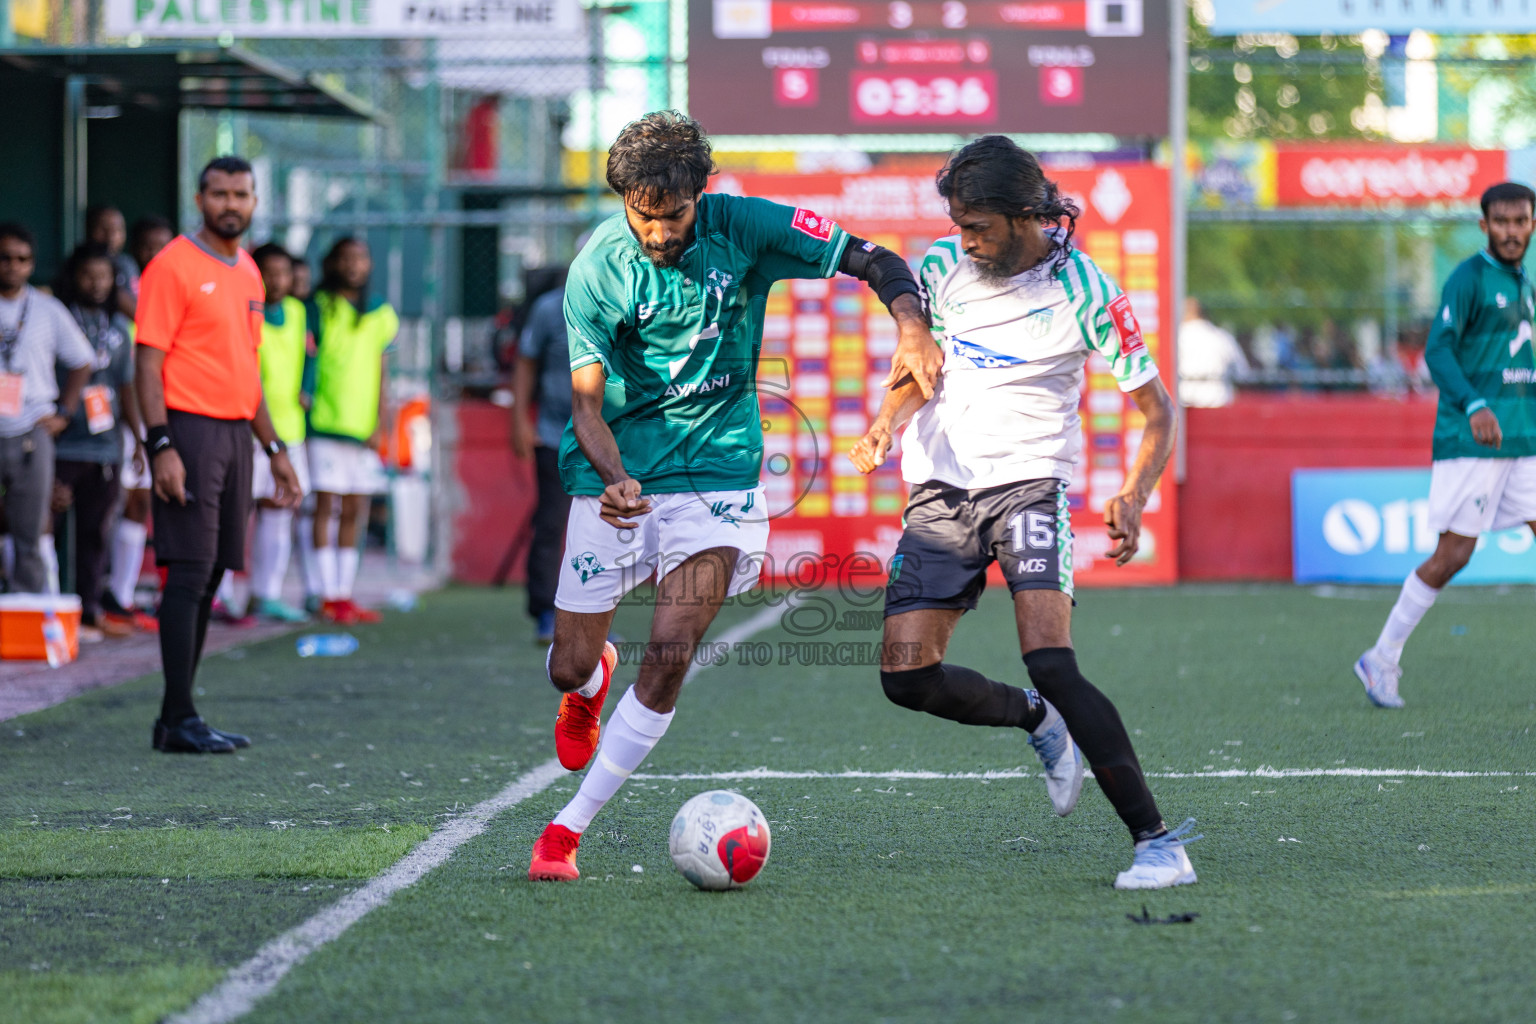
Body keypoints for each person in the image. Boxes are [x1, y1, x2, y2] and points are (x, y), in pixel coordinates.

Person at [527, 111, 939, 881]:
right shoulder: (596, 269)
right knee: (565, 665)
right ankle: (589, 678)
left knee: (672, 654)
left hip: (720, 474)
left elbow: (875, 259)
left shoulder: (745, 226)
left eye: (672, 216)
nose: (656, 234)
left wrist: (911, 324)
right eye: (640, 217)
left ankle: (565, 829)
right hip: (616, 475)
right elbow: (585, 407)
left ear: (701, 194)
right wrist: (616, 477)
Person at [848, 136, 1199, 890]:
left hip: (1029, 486)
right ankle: (1036, 721)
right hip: (941, 491)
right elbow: (922, 369)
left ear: (1024, 214)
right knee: (906, 678)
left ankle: (1158, 843)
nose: (964, 239)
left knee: (1051, 656)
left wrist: (1134, 495)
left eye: (977, 226)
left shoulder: (1088, 290)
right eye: (958, 223)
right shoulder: (942, 269)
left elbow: (1158, 411)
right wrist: (887, 418)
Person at [134, 156, 302, 754]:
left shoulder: (251, 273)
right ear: (199, 197)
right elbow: (147, 364)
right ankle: (177, 717)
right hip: (188, 429)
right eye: (220, 193)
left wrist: (274, 448)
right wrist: (161, 445)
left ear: (255, 201)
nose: (231, 204)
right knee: (186, 570)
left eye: (242, 194)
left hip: (237, 435)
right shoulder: (172, 266)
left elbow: (246, 367)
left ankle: (176, 717)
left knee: (209, 574)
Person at [1354, 182, 1536, 709]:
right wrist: (1475, 405)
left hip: (1521, 440)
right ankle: (1381, 657)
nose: (1510, 230)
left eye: (1520, 220)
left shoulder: (1523, 284)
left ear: (1531, 225)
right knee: (1454, 554)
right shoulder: (1469, 278)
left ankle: (1382, 658)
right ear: (1484, 226)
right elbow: (1438, 350)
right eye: (1500, 221)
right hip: (1472, 443)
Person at [0, 223, 95, 596]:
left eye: (21, 259)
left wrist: (65, 412)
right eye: (4, 258)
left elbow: (82, 360)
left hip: (32, 430)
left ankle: (29, 618)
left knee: (32, 528)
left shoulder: (46, 309)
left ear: (31, 264)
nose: (12, 266)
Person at [305, 237, 396, 625]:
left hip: (363, 428)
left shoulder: (380, 314)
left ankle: (343, 594)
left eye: (360, 257)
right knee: (326, 505)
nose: (353, 265)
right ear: (332, 263)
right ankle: (324, 593)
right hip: (325, 423)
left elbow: (382, 372)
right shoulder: (317, 307)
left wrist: (380, 421)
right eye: (345, 258)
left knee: (355, 508)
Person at [53, 243, 139, 639]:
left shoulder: (120, 330)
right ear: (74, 277)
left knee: (95, 531)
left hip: (106, 446)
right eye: (89, 275)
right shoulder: (58, 319)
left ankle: (89, 611)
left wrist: (139, 438)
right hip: (61, 444)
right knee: (44, 528)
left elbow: (127, 388)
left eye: (105, 276)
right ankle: (49, 610)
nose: (97, 283)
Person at [103, 215, 177, 632]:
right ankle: (114, 595)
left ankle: (124, 594)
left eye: (162, 245)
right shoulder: (126, 283)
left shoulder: (177, 283)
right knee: (122, 497)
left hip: (162, 409)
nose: (154, 254)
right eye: (146, 245)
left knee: (144, 500)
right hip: (124, 407)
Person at [242, 243, 311, 622]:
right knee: (238, 511)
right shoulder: (245, 312)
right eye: (268, 271)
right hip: (250, 427)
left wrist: (308, 389)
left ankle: (265, 593)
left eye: (283, 272)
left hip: (290, 428)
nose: (277, 280)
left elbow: (309, 358)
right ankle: (221, 595)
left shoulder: (299, 312)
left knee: (280, 508)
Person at [511, 267, 574, 645]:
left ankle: (593, 615)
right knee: (551, 523)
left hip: (612, 437)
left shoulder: (626, 304)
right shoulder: (550, 308)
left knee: (609, 528)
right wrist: (519, 420)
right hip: (556, 434)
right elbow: (526, 361)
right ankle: (546, 611)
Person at [1177, 296, 1249, 408]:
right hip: (1218, 401)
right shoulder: (1222, 336)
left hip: (1184, 402)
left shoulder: (1175, 337)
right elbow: (1242, 372)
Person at [85, 205, 140, 319]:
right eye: (103, 229)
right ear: (89, 230)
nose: (111, 235)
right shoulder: (79, 262)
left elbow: (137, 310)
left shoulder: (127, 264)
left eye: (117, 229)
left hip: (120, 333)